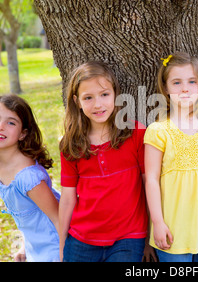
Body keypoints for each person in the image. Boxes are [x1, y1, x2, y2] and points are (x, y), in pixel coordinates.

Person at [59, 61, 151, 262]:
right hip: (82, 239)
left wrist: (149, 238)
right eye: (88, 98)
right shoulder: (71, 144)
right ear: (77, 101)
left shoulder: (135, 133)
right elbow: (67, 198)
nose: (98, 104)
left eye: (104, 94)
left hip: (128, 238)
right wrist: (61, 245)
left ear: (116, 94)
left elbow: (149, 186)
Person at [144, 52, 198, 262]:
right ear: (165, 88)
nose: (185, 88)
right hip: (172, 229)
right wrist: (157, 223)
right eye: (176, 82)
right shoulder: (158, 131)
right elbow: (152, 180)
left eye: (192, 81)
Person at [0, 94, 60, 262]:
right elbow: (29, 213)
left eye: (11, 122)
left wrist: (63, 256)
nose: (0, 127)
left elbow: (58, 219)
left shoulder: (27, 177)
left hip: (54, 246)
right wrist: (25, 247)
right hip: (36, 245)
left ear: (23, 134)